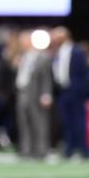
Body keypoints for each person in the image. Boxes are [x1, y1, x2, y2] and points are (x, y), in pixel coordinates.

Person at [51, 26, 89, 161]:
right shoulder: (57, 52)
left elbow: (84, 73)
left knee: (79, 121)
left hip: (76, 90)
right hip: (63, 90)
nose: (56, 39)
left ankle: (83, 150)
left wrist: (82, 90)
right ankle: (69, 149)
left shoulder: (77, 51)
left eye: (58, 36)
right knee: (66, 121)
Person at [15, 30, 55, 160]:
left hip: (36, 93)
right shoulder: (24, 56)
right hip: (22, 92)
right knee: (24, 122)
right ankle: (26, 150)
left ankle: (41, 150)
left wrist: (46, 94)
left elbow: (47, 77)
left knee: (39, 122)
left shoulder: (43, 56)